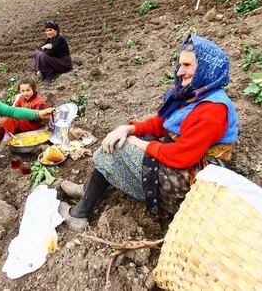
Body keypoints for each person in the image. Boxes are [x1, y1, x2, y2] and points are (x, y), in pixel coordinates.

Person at [58, 34, 239, 231]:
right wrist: (129, 129)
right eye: (180, 64)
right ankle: (88, 191)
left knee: (118, 147)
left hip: (190, 181)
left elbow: (183, 157)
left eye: (187, 65)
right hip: (180, 156)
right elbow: (162, 123)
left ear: (206, 67)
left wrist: (136, 142)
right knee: (122, 137)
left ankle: (79, 214)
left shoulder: (214, 108)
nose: (180, 71)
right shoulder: (193, 93)